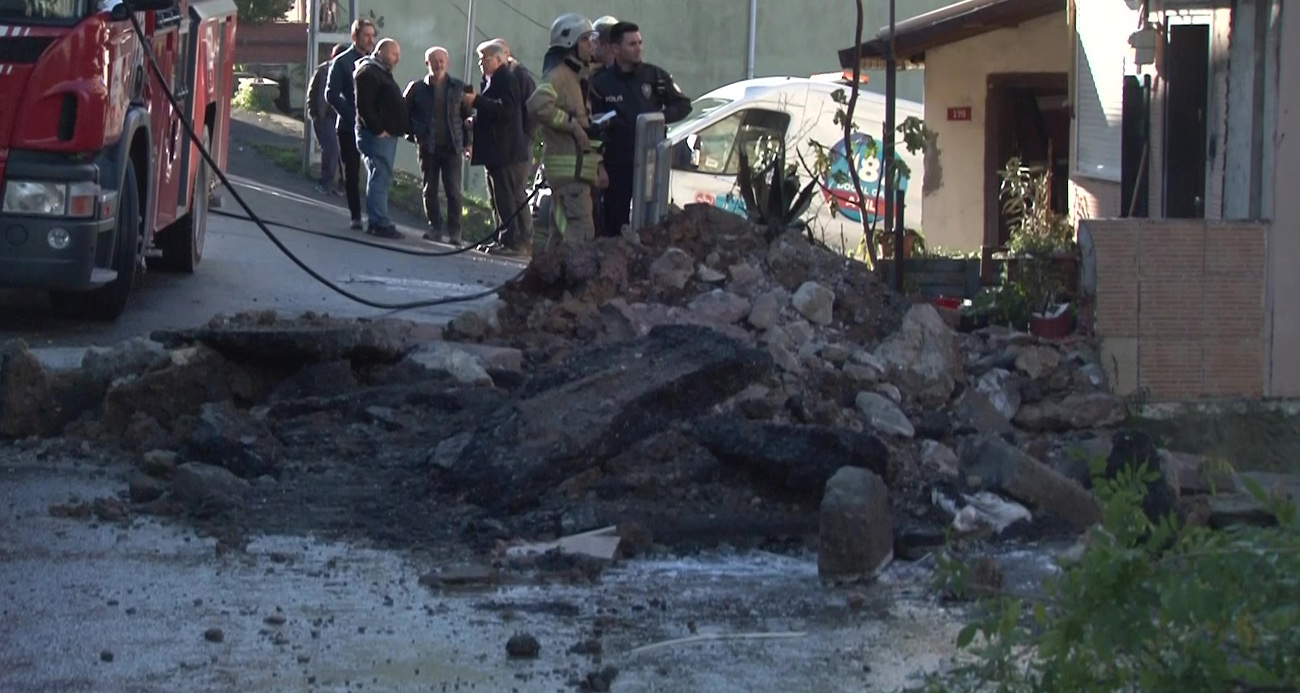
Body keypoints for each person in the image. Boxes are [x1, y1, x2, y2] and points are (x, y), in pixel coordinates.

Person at [590, 21, 692, 236]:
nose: (638, 48)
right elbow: (593, 126)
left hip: (650, 161)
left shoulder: (655, 77)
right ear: (616, 48)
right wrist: (599, 166)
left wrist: (659, 117)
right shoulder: (601, 83)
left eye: (640, 43)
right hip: (617, 162)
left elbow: (684, 105)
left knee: (650, 219)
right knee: (614, 221)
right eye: (632, 44)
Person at [527, 13, 607, 250]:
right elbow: (536, 105)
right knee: (581, 235)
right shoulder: (559, 75)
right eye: (585, 40)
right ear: (570, 42)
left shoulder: (577, 77)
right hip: (569, 174)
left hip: (577, 172)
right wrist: (571, 123)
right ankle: (570, 284)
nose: (590, 45)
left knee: (562, 236)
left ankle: (549, 282)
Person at [465, 40, 529, 254]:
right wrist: (477, 120)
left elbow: (507, 111)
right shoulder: (490, 80)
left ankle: (511, 240)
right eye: (480, 58)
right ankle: (501, 236)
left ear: (499, 59)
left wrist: (477, 102)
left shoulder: (507, 79)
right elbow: (495, 113)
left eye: (485, 58)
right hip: (493, 149)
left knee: (506, 197)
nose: (481, 63)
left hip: (504, 149)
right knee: (496, 198)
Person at [404, 46, 472, 244]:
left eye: (441, 61)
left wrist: (468, 144)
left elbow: (468, 117)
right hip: (428, 147)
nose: (438, 65)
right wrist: (412, 134)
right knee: (430, 189)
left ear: (447, 63)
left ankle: (455, 233)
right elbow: (404, 112)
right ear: (427, 64)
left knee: (454, 191)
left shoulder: (461, 87)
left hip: (452, 146)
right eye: (434, 61)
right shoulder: (416, 88)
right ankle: (435, 228)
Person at [325, 18, 377, 231]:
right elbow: (330, 93)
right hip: (348, 127)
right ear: (355, 37)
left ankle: (376, 217)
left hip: (372, 126)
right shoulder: (342, 62)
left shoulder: (375, 62)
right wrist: (350, 114)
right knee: (352, 172)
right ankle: (356, 215)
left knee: (376, 172)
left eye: (373, 36)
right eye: (366, 35)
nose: (370, 40)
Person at [353, 37, 407, 239]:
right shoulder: (368, 72)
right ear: (380, 52)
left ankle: (378, 220)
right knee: (379, 176)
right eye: (394, 53)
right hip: (376, 136)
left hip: (384, 134)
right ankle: (379, 222)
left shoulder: (380, 72)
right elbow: (364, 106)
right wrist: (378, 129)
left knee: (380, 176)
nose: (397, 58)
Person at [489, 38, 537, 250]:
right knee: (499, 194)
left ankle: (522, 241)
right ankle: (502, 236)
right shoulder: (498, 77)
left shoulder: (519, 77)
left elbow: (530, 112)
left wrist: (524, 138)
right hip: (500, 146)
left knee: (516, 193)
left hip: (517, 145)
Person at [307, 43, 346, 196]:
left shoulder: (349, 71)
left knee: (344, 151)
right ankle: (326, 182)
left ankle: (343, 185)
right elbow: (312, 94)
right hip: (324, 115)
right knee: (331, 148)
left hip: (341, 115)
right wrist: (315, 113)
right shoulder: (323, 71)